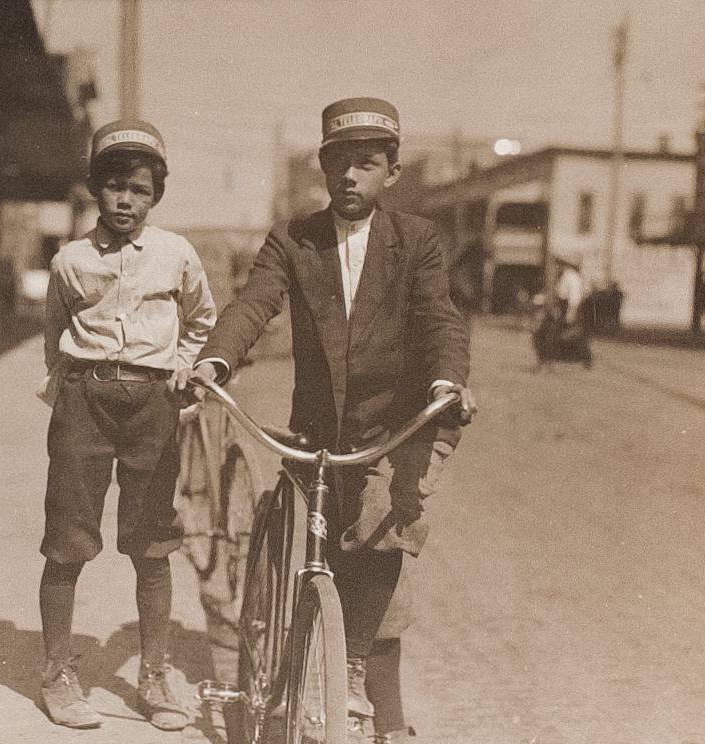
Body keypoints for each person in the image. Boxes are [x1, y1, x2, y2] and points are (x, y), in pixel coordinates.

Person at [193, 97, 475, 742]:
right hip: (321, 431)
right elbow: (254, 303)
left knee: (381, 539)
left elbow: (441, 319)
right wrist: (215, 360)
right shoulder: (295, 239)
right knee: (341, 563)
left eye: (367, 163)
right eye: (338, 162)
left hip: (396, 428)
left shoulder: (418, 241)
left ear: (392, 172)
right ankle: (342, 692)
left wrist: (446, 379)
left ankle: (361, 687)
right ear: (322, 168)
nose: (350, 176)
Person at [36, 119, 217, 731]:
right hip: (84, 401)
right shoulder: (70, 260)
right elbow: (55, 335)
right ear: (95, 189)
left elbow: (202, 321)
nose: (125, 201)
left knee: (152, 542)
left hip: (152, 407)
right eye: (114, 186)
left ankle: (154, 675)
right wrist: (71, 393)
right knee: (68, 540)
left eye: (139, 190)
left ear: (155, 194)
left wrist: (183, 372)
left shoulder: (176, 254)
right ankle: (57, 675)